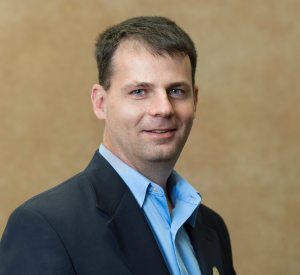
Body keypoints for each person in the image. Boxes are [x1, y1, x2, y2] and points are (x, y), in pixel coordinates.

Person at [0, 16, 236, 275]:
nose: (163, 108)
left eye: (177, 91)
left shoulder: (211, 227)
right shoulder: (45, 227)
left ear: (195, 100)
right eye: (139, 92)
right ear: (100, 102)